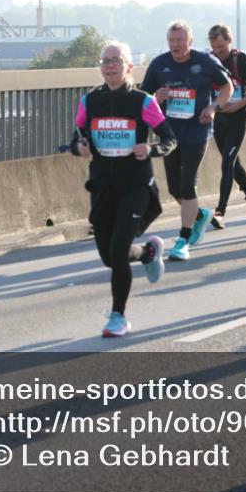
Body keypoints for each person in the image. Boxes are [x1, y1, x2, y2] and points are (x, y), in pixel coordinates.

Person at [70, 42, 175, 337]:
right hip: (102, 185)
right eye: (105, 61)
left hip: (135, 186)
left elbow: (169, 139)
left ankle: (118, 317)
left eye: (116, 60)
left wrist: (151, 148)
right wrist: (78, 147)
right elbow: (77, 136)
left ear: (129, 67)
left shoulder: (143, 102)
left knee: (117, 253)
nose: (110, 65)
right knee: (109, 257)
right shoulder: (89, 101)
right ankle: (148, 253)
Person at [141, 20, 233, 261]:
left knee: (187, 183)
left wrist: (214, 107)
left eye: (180, 41)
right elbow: (143, 98)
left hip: (197, 131)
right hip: (169, 134)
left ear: (190, 42)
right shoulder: (159, 64)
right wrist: (155, 97)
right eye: (172, 41)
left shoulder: (204, 61)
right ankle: (200, 214)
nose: (176, 45)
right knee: (173, 188)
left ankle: (183, 240)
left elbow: (227, 87)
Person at [207, 24, 246, 229]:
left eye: (222, 47)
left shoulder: (241, 60)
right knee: (232, 164)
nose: (219, 51)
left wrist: (238, 104)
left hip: (238, 118)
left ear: (229, 41)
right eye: (215, 47)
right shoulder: (209, 61)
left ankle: (220, 211)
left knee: (227, 164)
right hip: (219, 121)